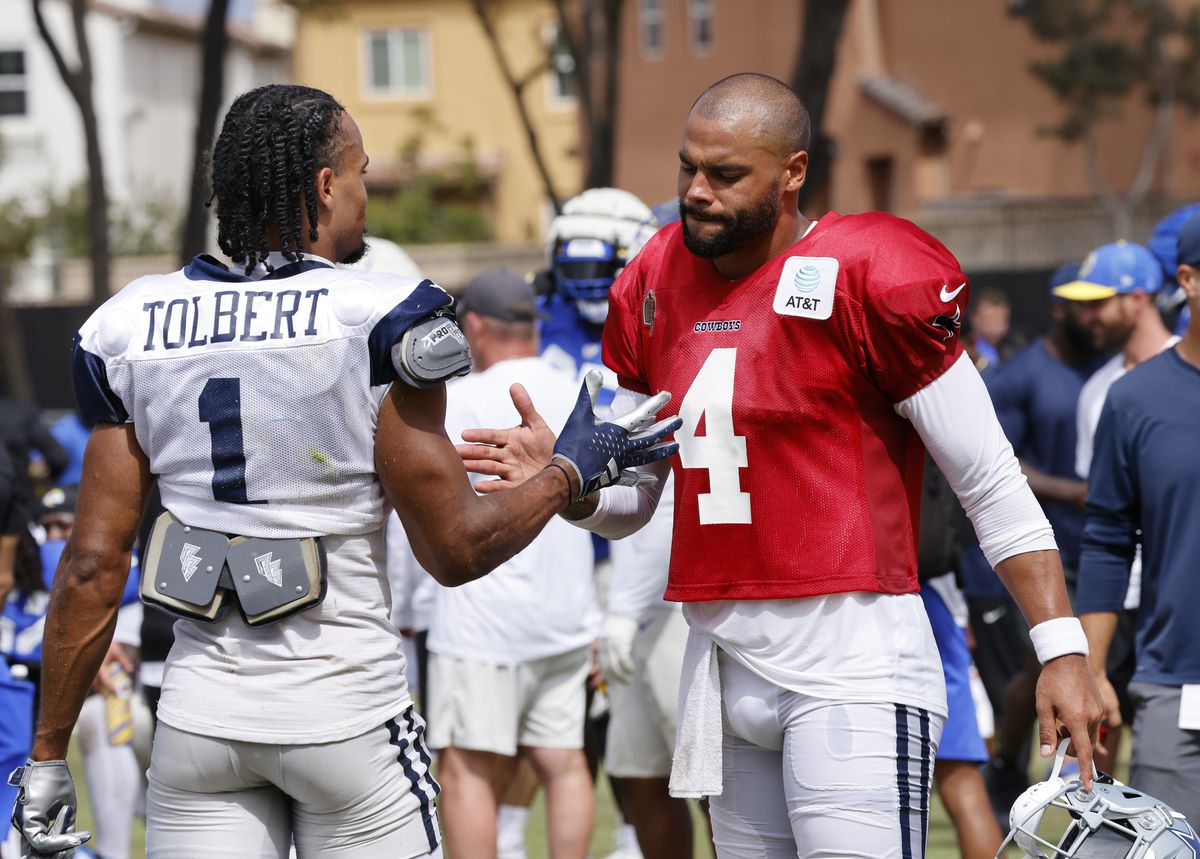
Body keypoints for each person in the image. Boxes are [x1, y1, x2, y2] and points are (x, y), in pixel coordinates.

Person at [7, 83, 677, 859]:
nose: (364, 192)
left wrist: (49, 751)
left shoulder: (129, 325)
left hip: (200, 722)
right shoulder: (382, 314)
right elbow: (457, 547)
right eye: (359, 172)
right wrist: (571, 471)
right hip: (345, 716)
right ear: (325, 186)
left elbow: (92, 563)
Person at [460, 73, 1102, 858]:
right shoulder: (653, 281)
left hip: (852, 654)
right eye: (687, 168)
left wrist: (1062, 649)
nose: (696, 191)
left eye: (725, 174)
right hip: (722, 655)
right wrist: (569, 484)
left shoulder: (867, 271)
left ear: (792, 172)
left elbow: (990, 480)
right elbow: (639, 497)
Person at [420, 268, 600, 859]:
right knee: (565, 762)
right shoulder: (578, 386)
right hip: (566, 612)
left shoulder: (462, 395)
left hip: (481, 620)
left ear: (473, 326)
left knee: (468, 769)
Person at [541, 189, 695, 859]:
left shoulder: (678, 327)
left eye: (601, 269)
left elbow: (659, 486)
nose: (588, 289)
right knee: (635, 765)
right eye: (573, 270)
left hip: (672, 579)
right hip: (598, 571)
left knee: (711, 772)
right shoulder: (541, 337)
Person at [1076, 211, 1200, 825]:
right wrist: (1093, 670)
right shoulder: (1133, 399)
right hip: (1176, 681)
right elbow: (1106, 542)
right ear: (1188, 280)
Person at [973, 263, 1107, 815]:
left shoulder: (1111, 371)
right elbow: (992, 467)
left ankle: (1096, 799)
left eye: (1103, 302)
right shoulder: (1016, 376)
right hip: (1028, 553)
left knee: (1099, 676)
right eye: (1083, 303)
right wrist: (1076, 492)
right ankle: (1006, 765)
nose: (1094, 314)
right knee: (1037, 672)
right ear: (1057, 308)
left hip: (1100, 547)